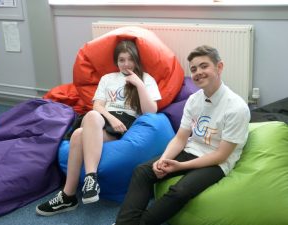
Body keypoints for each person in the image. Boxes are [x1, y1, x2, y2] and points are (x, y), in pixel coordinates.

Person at [113, 45, 250, 225]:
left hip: (216, 162)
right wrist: (164, 159)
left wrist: (180, 166)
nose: (198, 72)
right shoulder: (194, 100)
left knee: (180, 191)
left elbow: (221, 155)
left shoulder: (236, 107)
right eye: (193, 69)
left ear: (219, 67)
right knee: (142, 171)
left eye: (204, 66)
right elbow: (180, 138)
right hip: (192, 149)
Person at [36, 40, 162, 216]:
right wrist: (111, 118)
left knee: (79, 135)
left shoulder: (146, 79)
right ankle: (89, 180)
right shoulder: (107, 78)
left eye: (130, 59)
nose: (126, 64)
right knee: (92, 116)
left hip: (126, 121)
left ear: (137, 60)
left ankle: (69, 195)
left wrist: (138, 84)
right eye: (121, 60)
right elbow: (97, 106)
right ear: (116, 62)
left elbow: (151, 111)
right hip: (103, 117)